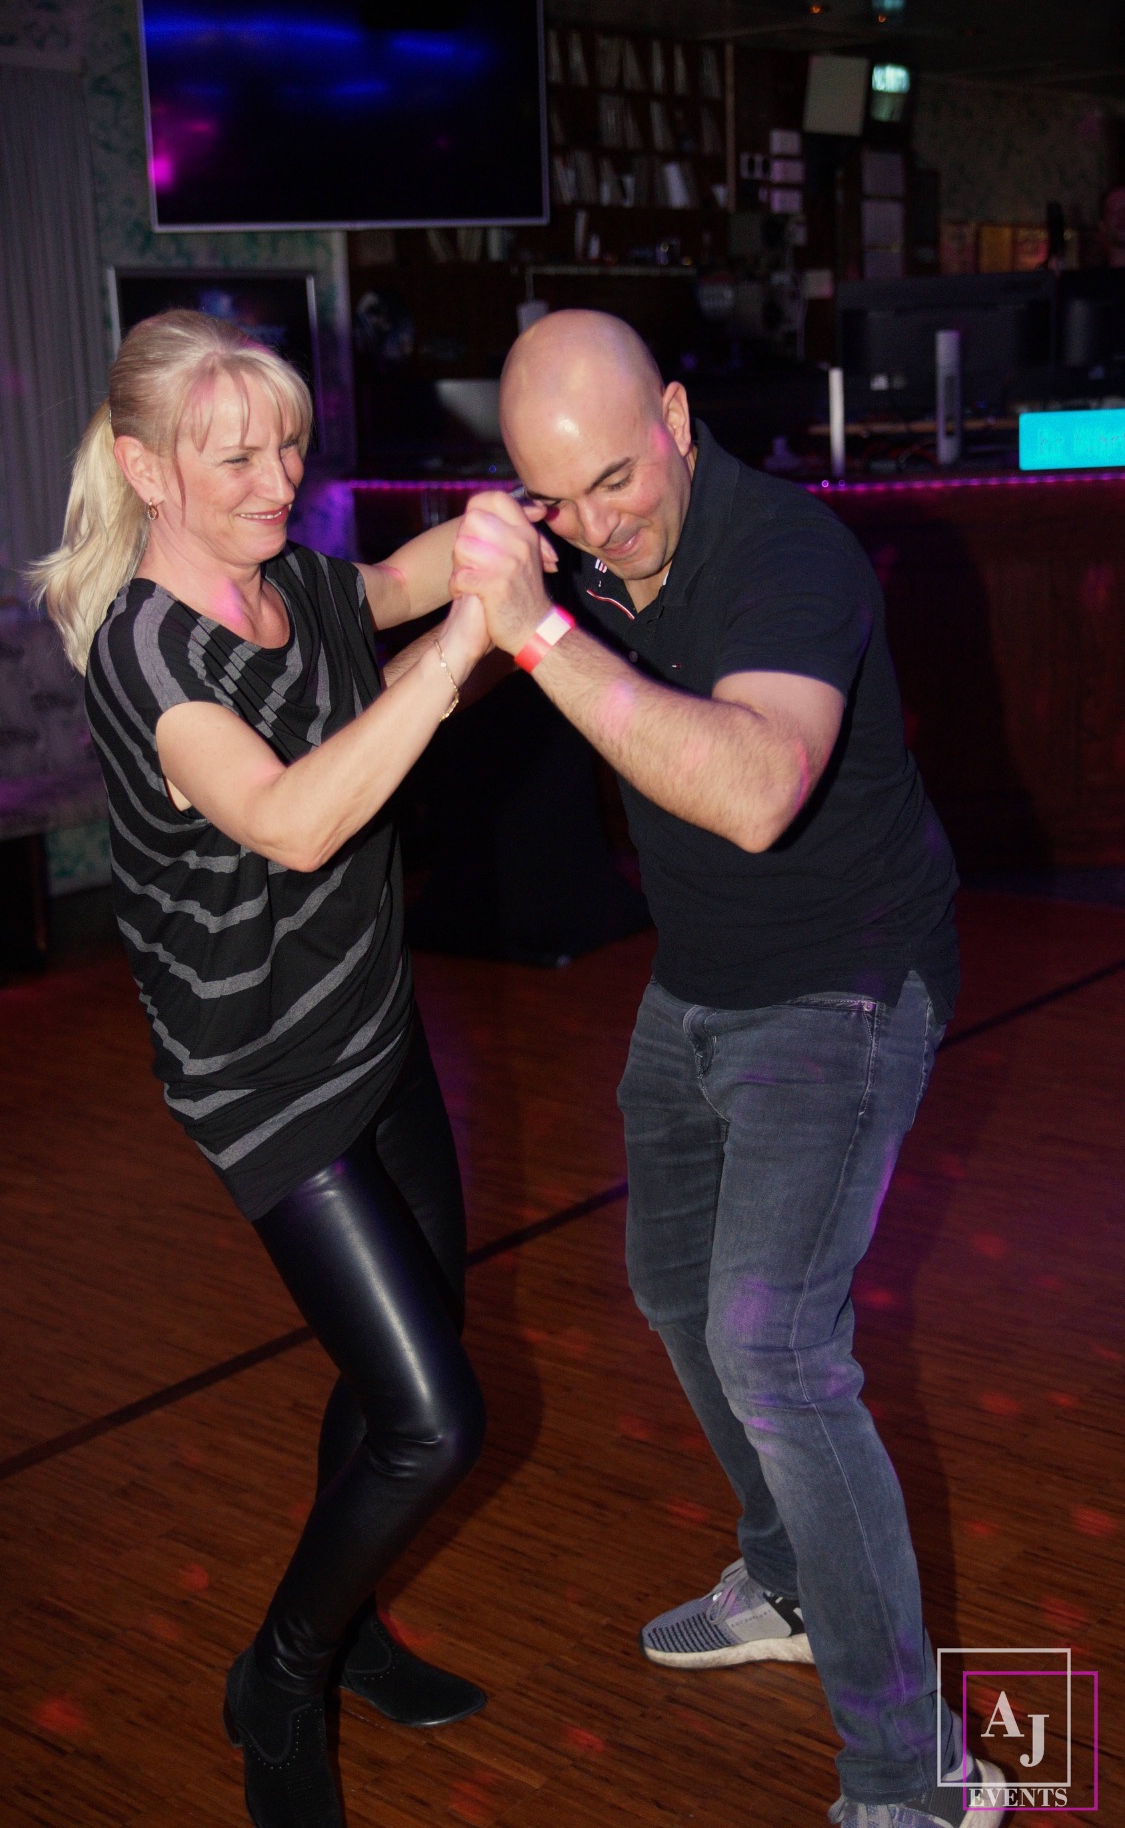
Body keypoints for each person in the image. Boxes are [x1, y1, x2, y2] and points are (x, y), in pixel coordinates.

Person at [448, 309, 1007, 1828]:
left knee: (773, 1344)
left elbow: (757, 789)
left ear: (679, 420)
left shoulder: (790, 557)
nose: (600, 525)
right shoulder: (569, 543)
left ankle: (919, 1776)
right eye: (558, 498)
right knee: (674, 1293)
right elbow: (430, 597)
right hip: (696, 983)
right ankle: (788, 1579)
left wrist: (538, 630)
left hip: (845, 982)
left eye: (620, 479)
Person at [30, 310, 540, 1828]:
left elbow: (389, 580)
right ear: (146, 469)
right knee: (434, 1420)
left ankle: (351, 1629)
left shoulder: (292, 583)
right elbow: (294, 822)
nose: (279, 482)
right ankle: (281, 1677)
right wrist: (457, 657)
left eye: (291, 448)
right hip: (260, 1075)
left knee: (399, 1371)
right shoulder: (146, 650)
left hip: (372, 1023)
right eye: (237, 458)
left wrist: (507, 527)